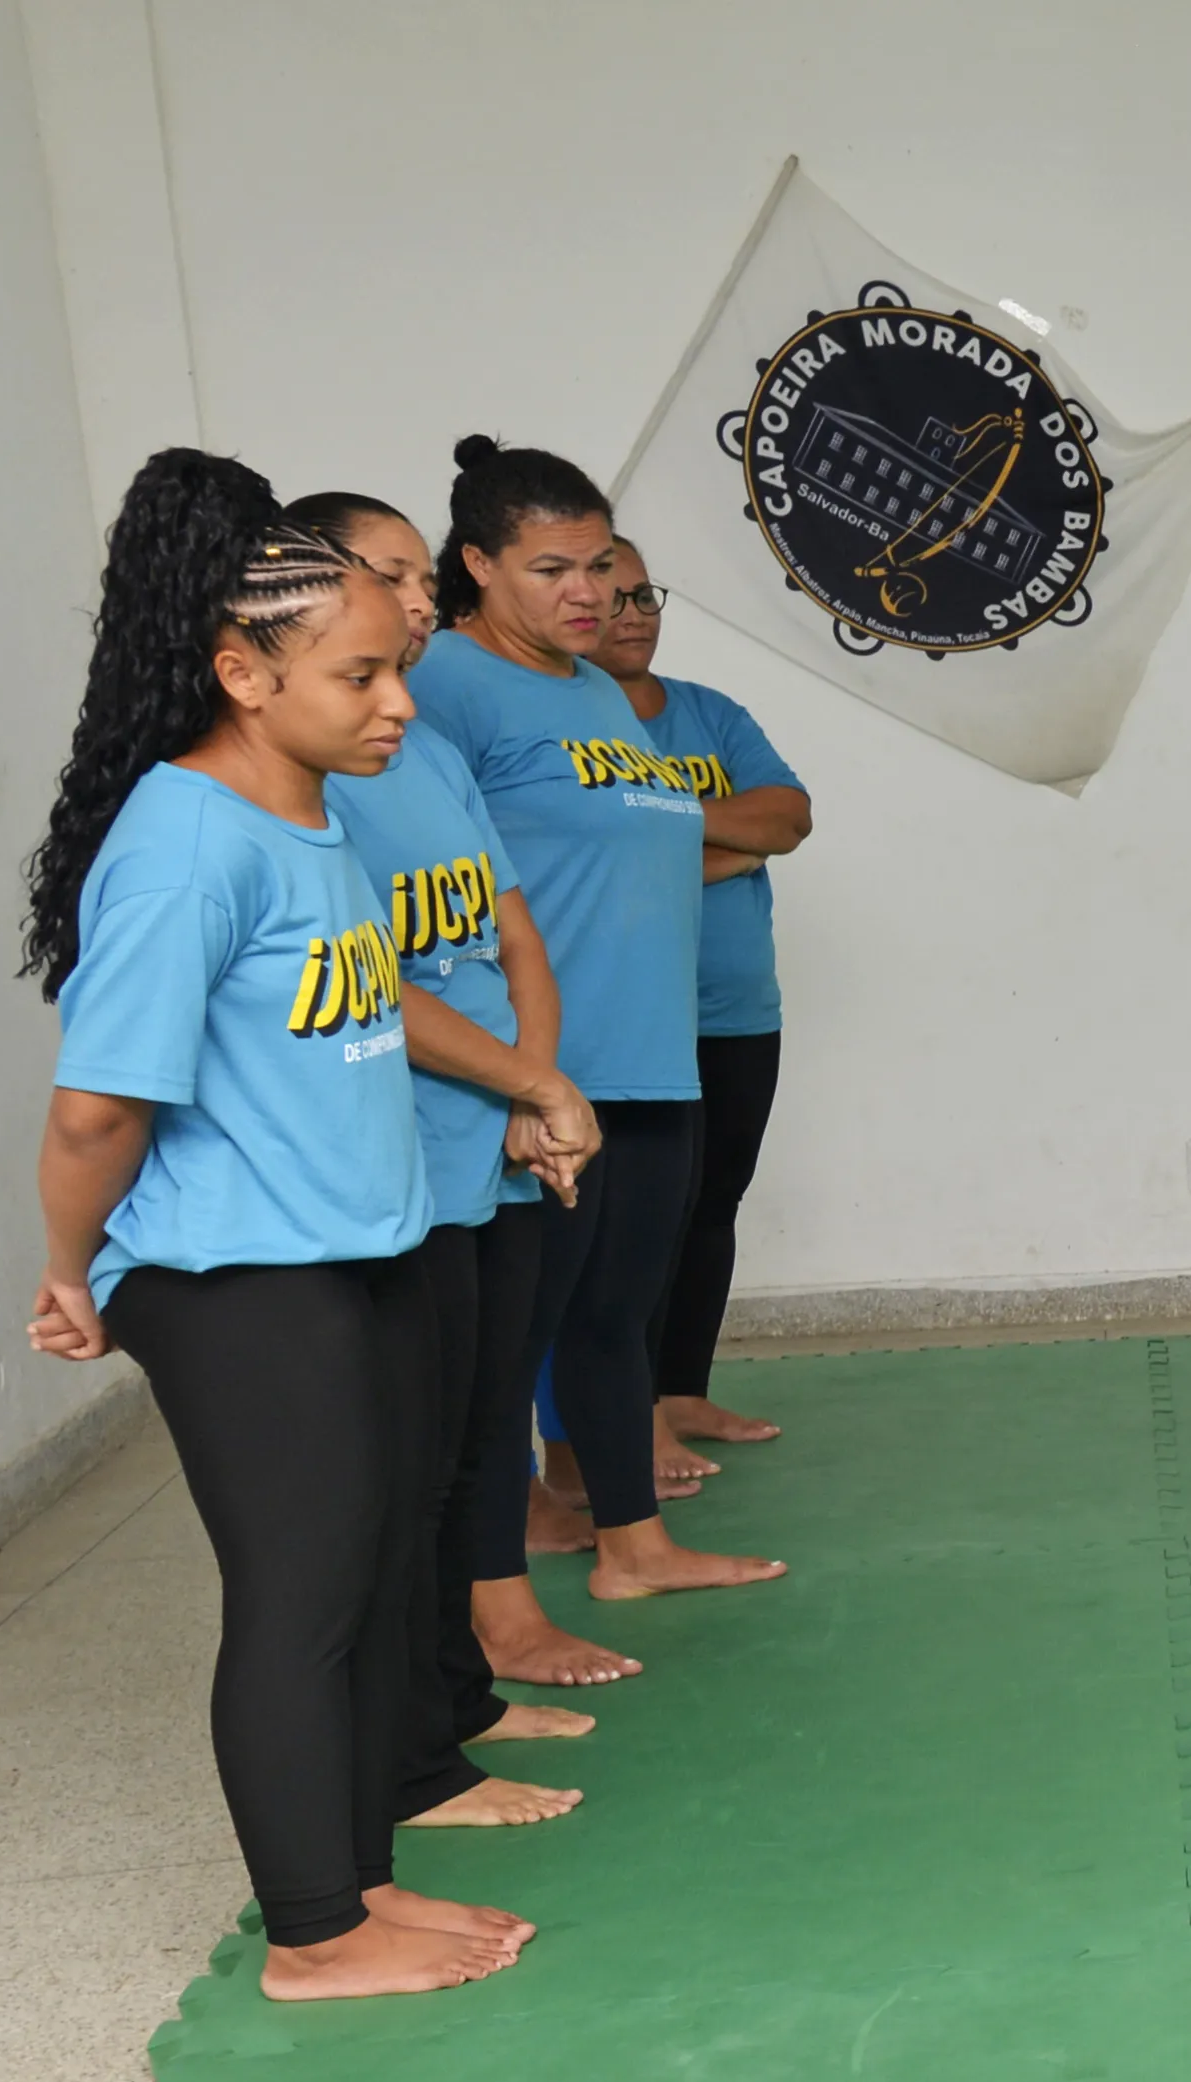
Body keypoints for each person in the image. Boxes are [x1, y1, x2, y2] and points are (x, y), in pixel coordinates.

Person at [15, 451, 535, 2000]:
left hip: (349, 1251)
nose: (396, 701)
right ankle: (314, 1935)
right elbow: (99, 1108)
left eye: (395, 667)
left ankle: (359, 1875)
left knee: (375, 1571)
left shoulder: (309, 820)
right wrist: (67, 1265)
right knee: (304, 1596)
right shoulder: (184, 844)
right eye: (361, 673)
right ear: (244, 672)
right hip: (237, 1272)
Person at [411, 436, 780, 1668]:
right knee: (511, 1340)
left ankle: (632, 1547)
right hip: (542, 1072)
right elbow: (425, 876)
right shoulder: (449, 686)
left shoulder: (586, 691)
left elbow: (654, 839)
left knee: (616, 1314)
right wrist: (510, 1072)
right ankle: (494, 1590)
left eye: (603, 569)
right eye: (552, 568)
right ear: (476, 566)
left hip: (652, 1051)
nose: (589, 595)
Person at [293, 486, 607, 1817]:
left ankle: (460, 1698)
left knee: (480, 1433)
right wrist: (528, 1079)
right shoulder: (318, 771)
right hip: (406, 1155)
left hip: (493, 1142)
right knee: (407, 1467)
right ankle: (419, 1747)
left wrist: (540, 1089)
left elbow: (505, 928)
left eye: (423, 580)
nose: (418, 605)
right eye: (390, 578)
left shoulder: (414, 738)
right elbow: (382, 984)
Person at [589, 546, 813, 1456]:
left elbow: (787, 819)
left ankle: (681, 1391)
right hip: (628, 1015)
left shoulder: (710, 714)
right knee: (636, 1220)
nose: (635, 612)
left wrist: (656, 824)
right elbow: (582, 853)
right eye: (613, 597)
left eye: (646, 594)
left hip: (735, 1008)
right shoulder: (560, 726)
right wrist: (725, 841)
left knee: (713, 1201)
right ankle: (626, 1415)